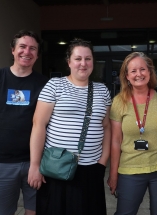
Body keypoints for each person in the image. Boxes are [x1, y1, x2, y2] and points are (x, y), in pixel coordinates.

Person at [28, 38, 111, 215]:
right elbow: (38, 125)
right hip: (57, 167)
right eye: (78, 58)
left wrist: (102, 162)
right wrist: (35, 165)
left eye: (88, 59)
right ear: (69, 62)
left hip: (91, 169)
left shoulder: (102, 90)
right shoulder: (54, 85)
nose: (83, 63)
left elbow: (106, 127)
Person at [107, 52, 157, 215]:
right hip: (130, 170)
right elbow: (116, 141)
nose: (139, 74)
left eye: (143, 69)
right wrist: (113, 174)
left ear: (150, 72)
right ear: (127, 76)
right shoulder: (118, 102)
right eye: (133, 71)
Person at [0, 30, 48, 215]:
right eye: (22, 47)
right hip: (3, 163)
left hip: (35, 162)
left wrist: (37, 164)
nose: (27, 52)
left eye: (33, 48)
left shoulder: (45, 84)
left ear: (37, 54)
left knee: (35, 211)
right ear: (13, 50)